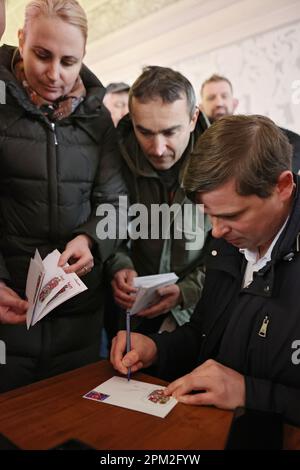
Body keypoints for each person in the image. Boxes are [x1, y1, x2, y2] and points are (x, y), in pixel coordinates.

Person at [111, 115, 300, 426]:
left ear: (282, 186)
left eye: (232, 215)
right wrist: (157, 347)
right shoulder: (230, 240)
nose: (216, 231)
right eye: (209, 215)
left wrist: (248, 393)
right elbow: (205, 333)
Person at [0, 0, 127, 392]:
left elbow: (117, 203)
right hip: (10, 316)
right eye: (42, 55)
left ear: (84, 57)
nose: (54, 74)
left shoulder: (98, 118)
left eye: (69, 61)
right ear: (21, 40)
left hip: (80, 321)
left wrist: (91, 238)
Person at [106, 66, 210, 337]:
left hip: (198, 317)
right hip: (132, 319)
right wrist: (120, 265)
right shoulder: (115, 160)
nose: (158, 148)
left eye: (170, 132)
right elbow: (108, 223)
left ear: (193, 118)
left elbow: (231, 252)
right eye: (146, 132)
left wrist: (186, 292)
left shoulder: (221, 165)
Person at [200, 73, 300, 173]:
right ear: (201, 108)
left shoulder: (252, 129)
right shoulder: (194, 140)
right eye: (211, 98)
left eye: (224, 96)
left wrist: (281, 177)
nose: (219, 103)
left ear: (234, 104)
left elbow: (297, 143)